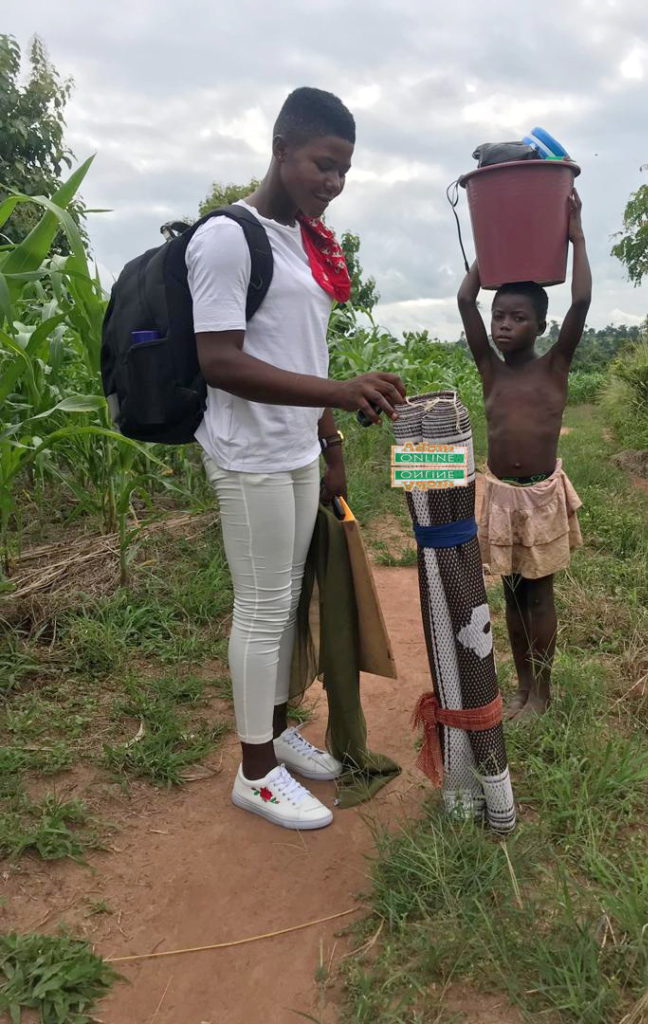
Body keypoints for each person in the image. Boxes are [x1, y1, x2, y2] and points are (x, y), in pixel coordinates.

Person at [187, 87, 405, 830]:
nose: (333, 182)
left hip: (295, 449)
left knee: (285, 604)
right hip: (247, 452)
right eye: (322, 163)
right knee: (262, 607)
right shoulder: (227, 237)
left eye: (344, 170)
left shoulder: (304, 243)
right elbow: (219, 360)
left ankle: (275, 732)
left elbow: (302, 352)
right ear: (281, 149)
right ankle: (253, 772)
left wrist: (330, 438)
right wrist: (339, 394)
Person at [457, 190, 591, 720]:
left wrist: (575, 235)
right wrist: (491, 249)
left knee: (539, 596)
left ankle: (544, 694)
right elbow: (465, 301)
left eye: (516, 317)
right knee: (511, 597)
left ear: (539, 325)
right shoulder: (490, 370)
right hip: (501, 495)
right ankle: (521, 687)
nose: (503, 325)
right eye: (499, 316)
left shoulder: (554, 366)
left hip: (539, 495)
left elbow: (579, 301)